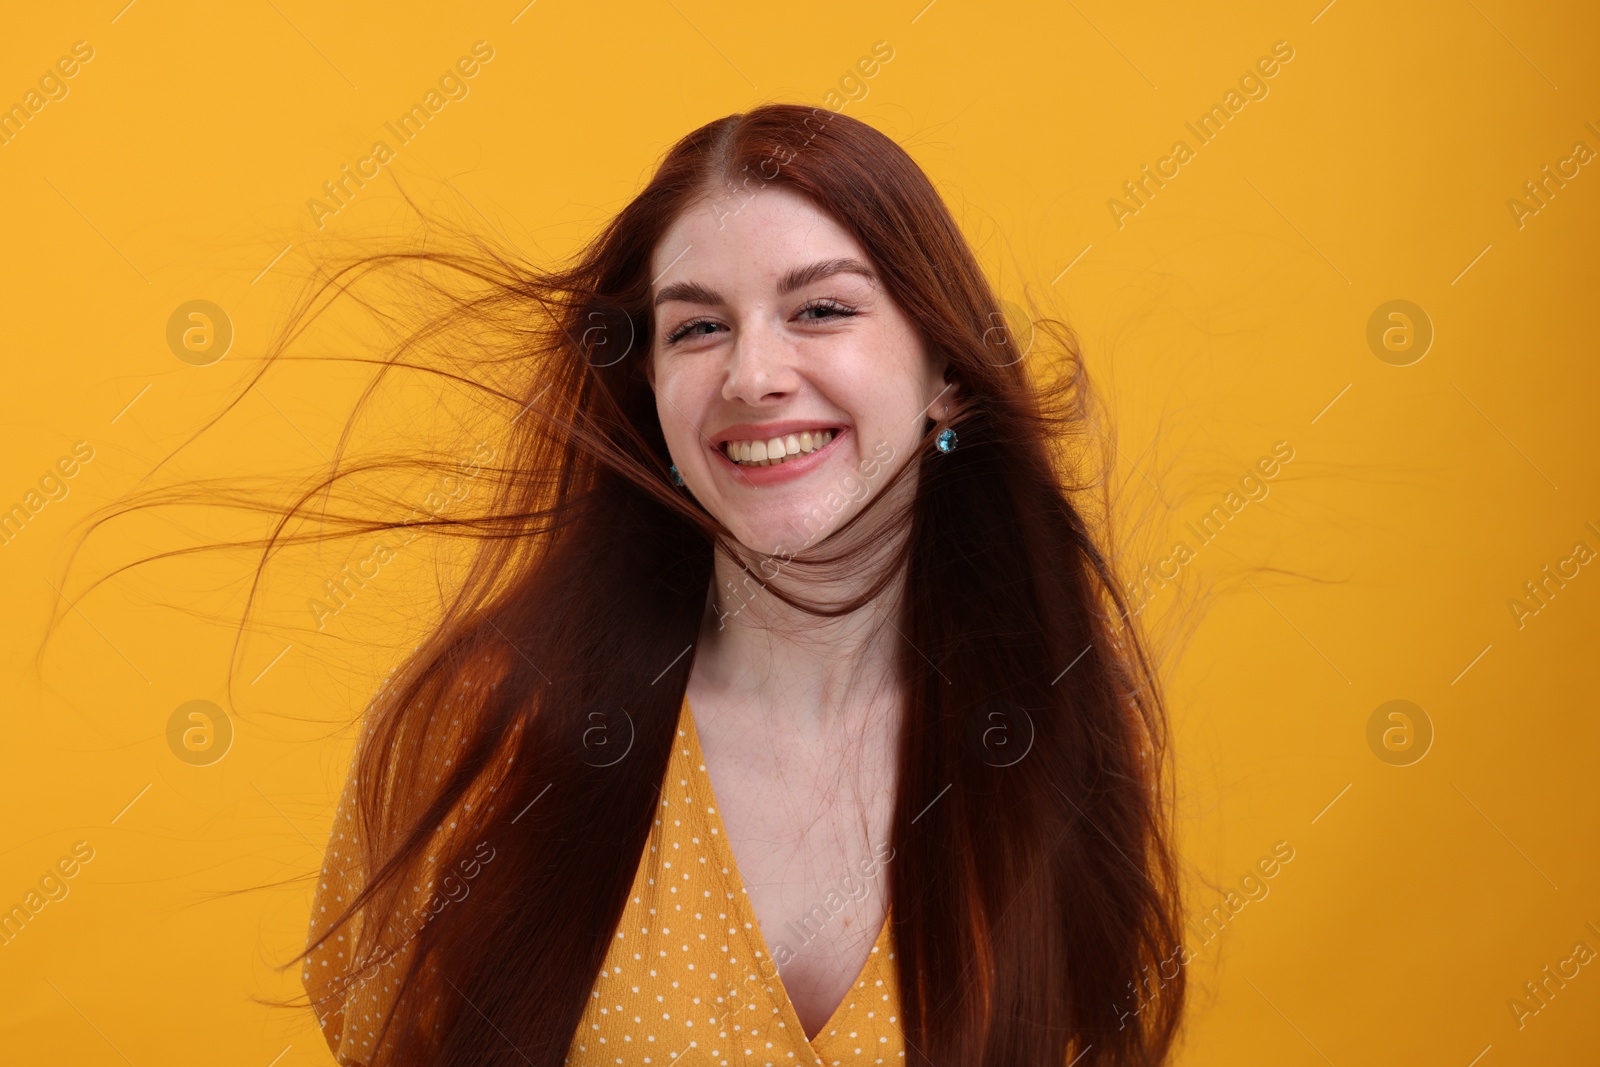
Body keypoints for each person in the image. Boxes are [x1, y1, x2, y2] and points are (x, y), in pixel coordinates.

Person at [291, 102, 1186, 1066]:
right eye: (698, 327)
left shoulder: (1067, 727)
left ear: (948, 377)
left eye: (822, 309)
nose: (753, 375)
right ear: (653, 396)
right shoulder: (484, 724)